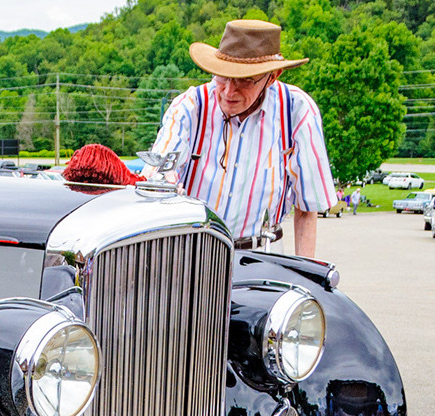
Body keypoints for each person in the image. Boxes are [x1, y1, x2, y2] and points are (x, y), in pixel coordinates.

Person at [143, 20, 338, 257]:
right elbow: (157, 172)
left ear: (272, 76)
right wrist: (164, 180)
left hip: (261, 255)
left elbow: (307, 209)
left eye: (245, 79)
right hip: (191, 251)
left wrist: (303, 274)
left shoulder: (296, 110)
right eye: (222, 76)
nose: (229, 91)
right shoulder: (191, 106)